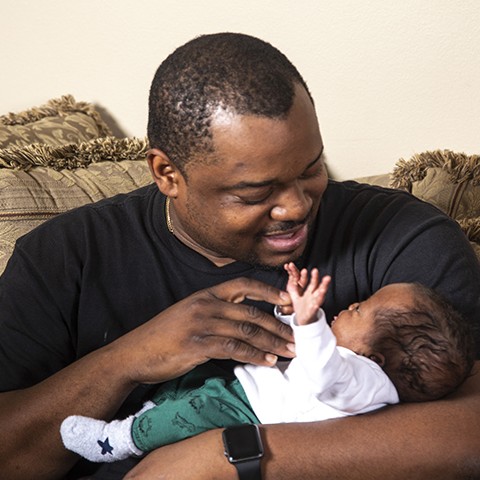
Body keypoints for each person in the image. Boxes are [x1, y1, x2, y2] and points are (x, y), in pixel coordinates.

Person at [0, 32, 479, 480]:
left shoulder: (403, 237)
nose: (296, 206)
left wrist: (224, 456)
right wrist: (128, 359)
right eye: (256, 192)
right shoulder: (64, 256)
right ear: (167, 173)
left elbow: (469, 432)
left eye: (311, 169)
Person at [60, 263, 474, 463]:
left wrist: (311, 321)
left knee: (192, 412)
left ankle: (119, 440)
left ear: (376, 357)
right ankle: (156, 412)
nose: (350, 304)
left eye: (361, 308)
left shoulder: (366, 382)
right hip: (242, 388)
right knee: (197, 370)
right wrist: (294, 311)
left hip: (245, 413)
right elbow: (308, 352)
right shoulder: (349, 359)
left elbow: (326, 377)